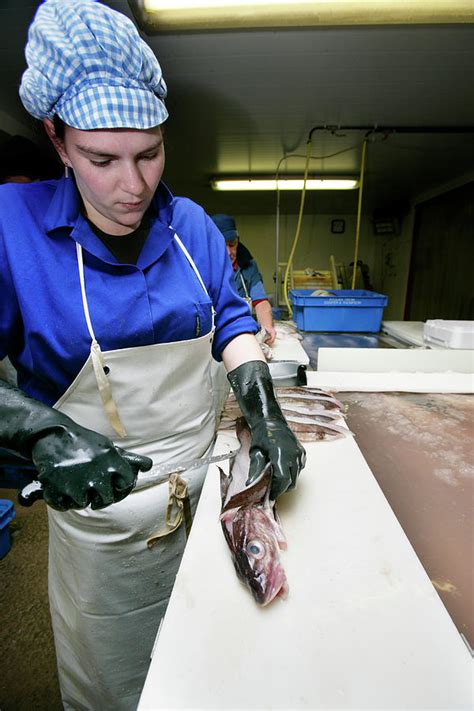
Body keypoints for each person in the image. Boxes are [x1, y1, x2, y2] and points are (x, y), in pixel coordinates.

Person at [0, 1, 305, 709]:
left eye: (150, 153)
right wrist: (40, 432)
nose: (133, 187)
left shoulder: (192, 224)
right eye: (102, 159)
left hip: (205, 507)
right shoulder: (13, 234)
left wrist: (266, 413)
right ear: (57, 140)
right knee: (118, 688)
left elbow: (232, 319)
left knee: (211, 672)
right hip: (104, 536)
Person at [211, 214, 277, 345]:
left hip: (242, 334)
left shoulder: (248, 266)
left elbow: (261, 302)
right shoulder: (202, 269)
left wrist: (267, 327)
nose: (229, 252)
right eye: (222, 246)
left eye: (232, 244)